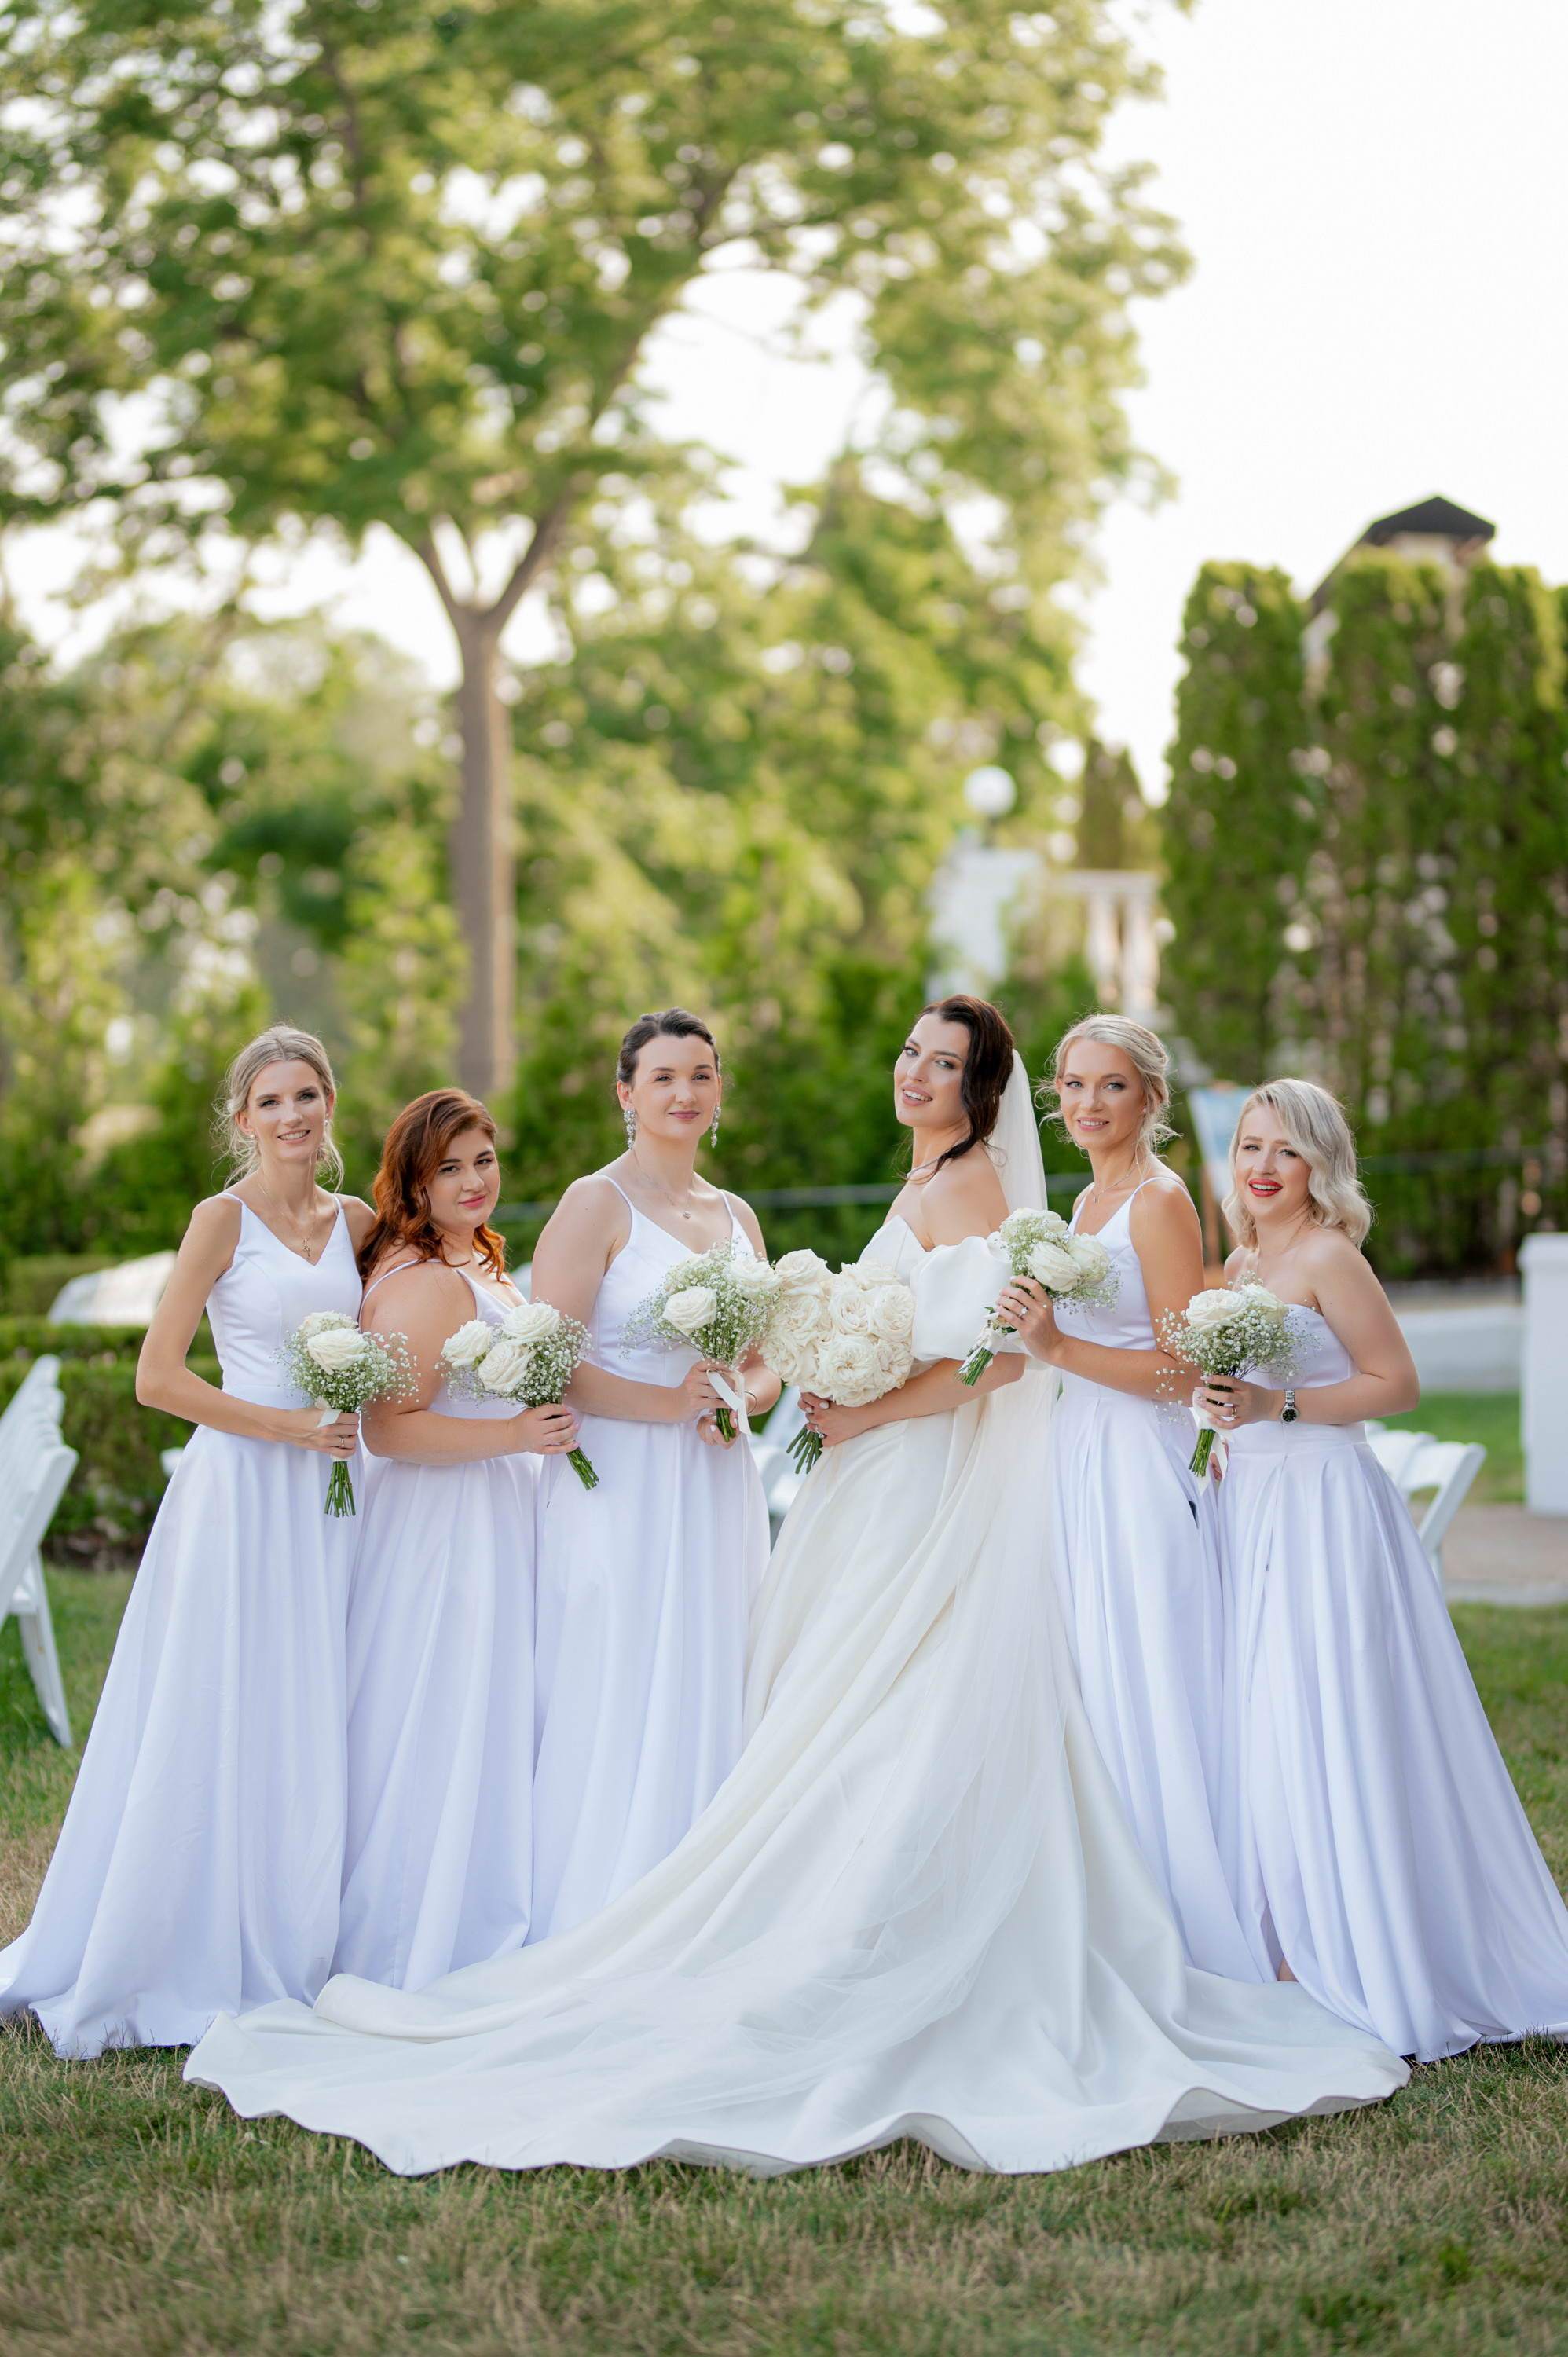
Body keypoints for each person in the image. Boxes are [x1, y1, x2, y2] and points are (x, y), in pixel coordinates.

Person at [185, 1000, 1406, 2178]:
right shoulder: (903, 1187)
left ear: (981, 1090)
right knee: (771, 1687)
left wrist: (822, 1392)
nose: (915, 1074)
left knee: (852, 1696)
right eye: (910, 1054)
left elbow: (988, 1361)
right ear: (627, 1094)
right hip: (768, 1472)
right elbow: (574, 1350)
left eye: (942, 1062)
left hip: (904, 1470)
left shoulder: (967, 1186)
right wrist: (787, 1380)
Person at [0, 1025, 372, 2055]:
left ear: (330, 1104)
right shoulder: (222, 1219)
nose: (292, 1116)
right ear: (243, 1118)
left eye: (307, 1095)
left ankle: (301, 1924)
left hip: (337, 1497)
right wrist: (289, 1426)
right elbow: (156, 1378)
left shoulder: (359, 1220)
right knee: (219, 1699)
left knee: (316, 1700)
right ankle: (183, 1941)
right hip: (244, 1490)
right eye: (271, 1102)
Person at [1197, 1078, 1568, 2059]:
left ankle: (1366, 1939)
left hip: (1324, 1504)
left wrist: (1277, 1408)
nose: (1263, 1167)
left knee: (1335, 1705)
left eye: (1285, 1150)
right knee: (1268, 1709)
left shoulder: (1327, 1254)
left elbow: (1394, 1383)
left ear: (1320, 1163)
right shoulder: (1242, 1258)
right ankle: (1285, 1938)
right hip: (1255, 1504)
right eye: (1249, 1148)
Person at [994, 1015, 1269, 1981]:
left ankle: (1185, 1907)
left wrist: (1057, 1348)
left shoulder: (1155, 1202)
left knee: (1149, 1658)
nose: (1085, 1105)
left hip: (1138, 1459)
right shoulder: (1081, 1201)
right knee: (1096, 1672)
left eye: (1110, 1086)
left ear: (1150, 1098)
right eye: (1071, 1086)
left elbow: (1179, 1368)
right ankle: (1116, 1895)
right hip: (1078, 1448)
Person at [524, 1010, 776, 1941]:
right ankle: (602, 1907)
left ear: (719, 1091)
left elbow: (764, 1359)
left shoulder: (736, 1216)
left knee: (714, 1662)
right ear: (625, 1093)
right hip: (618, 1481)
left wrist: (735, 1396)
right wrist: (668, 1404)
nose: (685, 1093)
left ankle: (706, 1902)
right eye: (664, 1076)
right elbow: (546, 1358)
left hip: (713, 1485)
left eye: (701, 1074)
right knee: (620, 1665)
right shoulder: (595, 1204)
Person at [332, 1091, 579, 1992]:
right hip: (445, 1527)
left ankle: (488, 1897)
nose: (474, 1182)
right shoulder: (427, 1279)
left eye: (483, 1160)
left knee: (496, 1708)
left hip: (497, 1508)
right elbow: (389, 1431)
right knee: (442, 1706)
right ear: (413, 1181)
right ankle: (420, 1924)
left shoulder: (474, 1259)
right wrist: (516, 1437)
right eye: (449, 1169)